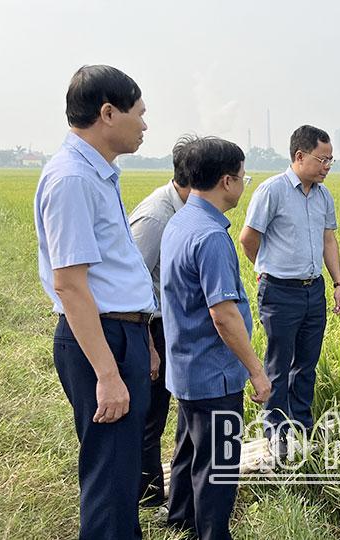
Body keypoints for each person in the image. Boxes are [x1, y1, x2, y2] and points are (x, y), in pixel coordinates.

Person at [33, 64, 153, 539]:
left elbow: (109, 271)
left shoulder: (98, 174)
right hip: (100, 340)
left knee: (123, 476)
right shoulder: (72, 180)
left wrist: (142, 339)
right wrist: (107, 373)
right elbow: (70, 285)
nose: (145, 125)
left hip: (122, 333)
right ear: (108, 113)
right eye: (139, 114)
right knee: (109, 478)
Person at [160, 136, 271, 539]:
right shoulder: (210, 236)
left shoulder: (181, 221)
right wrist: (257, 372)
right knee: (219, 465)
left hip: (187, 367)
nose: (244, 184)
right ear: (227, 181)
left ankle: (179, 519)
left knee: (190, 449)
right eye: (244, 177)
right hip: (214, 372)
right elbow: (223, 315)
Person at [239, 125, 340, 454]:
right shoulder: (272, 191)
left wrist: (338, 282)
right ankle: (276, 428)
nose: (327, 166)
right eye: (322, 160)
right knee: (279, 361)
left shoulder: (323, 195)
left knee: (307, 361)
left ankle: (302, 421)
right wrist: (267, 269)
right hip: (280, 292)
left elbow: (329, 240)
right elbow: (248, 238)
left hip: (314, 290)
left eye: (330, 160)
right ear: (299, 156)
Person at [127, 134, 195, 507]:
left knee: (161, 410)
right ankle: (148, 497)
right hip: (149, 325)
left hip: (166, 324)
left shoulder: (183, 210)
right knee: (149, 416)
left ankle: (152, 493)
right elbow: (134, 280)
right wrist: (150, 344)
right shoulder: (156, 216)